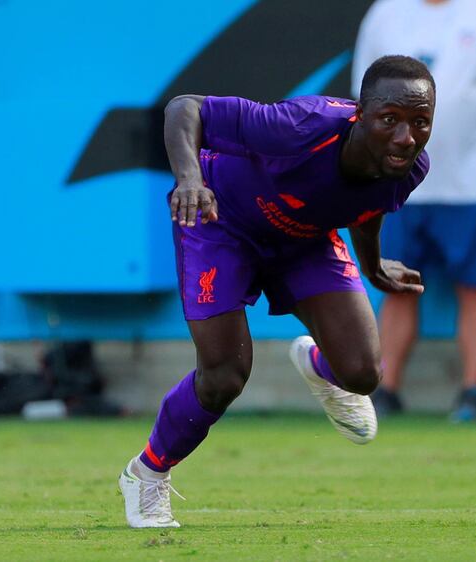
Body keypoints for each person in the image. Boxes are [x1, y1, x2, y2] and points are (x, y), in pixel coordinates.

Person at [118, 55, 435, 528]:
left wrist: (372, 266)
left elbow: (370, 207)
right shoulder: (301, 127)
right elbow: (184, 109)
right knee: (224, 375)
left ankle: (318, 363)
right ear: (360, 113)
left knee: (364, 372)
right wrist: (189, 180)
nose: (406, 137)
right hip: (219, 220)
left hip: (304, 239)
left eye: (421, 122)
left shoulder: (408, 166)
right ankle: (146, 473)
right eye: (390, 119)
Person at [351, 0, 476, 421]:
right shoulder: (385, 13)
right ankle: (387, 390)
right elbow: (364, 101)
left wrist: (467, 122)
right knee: (395, 285)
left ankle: (472, 392)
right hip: (398, 185)